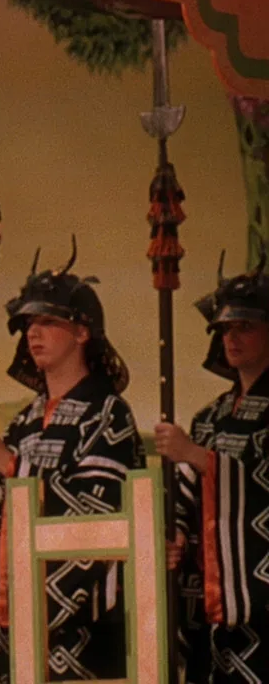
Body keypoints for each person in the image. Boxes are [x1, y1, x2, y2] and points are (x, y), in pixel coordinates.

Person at [0, 242, 145, 682]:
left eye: (47, 322)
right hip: (11, 627)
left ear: (82, 332)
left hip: (85, 629)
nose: (33, 334)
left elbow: (99, 509)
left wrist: (11, 466)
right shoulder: (24, 421)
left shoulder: (108, 414)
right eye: (28, 325)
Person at [156, 251, 269, 684]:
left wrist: (198, 457)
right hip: (207, 596)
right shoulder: (209, 416)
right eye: (224, 329)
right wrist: (175, 535)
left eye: (245, 327)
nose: (231, 338)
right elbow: (187, 495)